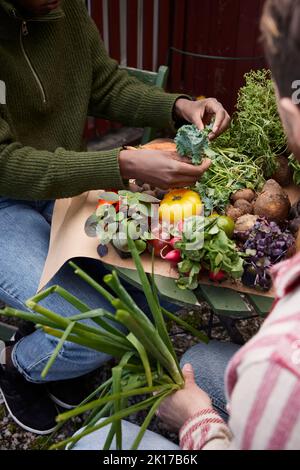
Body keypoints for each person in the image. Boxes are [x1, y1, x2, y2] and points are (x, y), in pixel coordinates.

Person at [71, 0, 300, 451]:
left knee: (89, 443)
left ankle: (31, 366)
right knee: (193, 354)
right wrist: (175, 109)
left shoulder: (278, 365)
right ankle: (27, 363)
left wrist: (196, 419)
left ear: (289, 112)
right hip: (24, 196)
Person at [0, 0, 230, 435]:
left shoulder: (64, 10)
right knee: (97, 325)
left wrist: (178, 106)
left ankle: (61, 362)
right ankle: (18, 366)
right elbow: (5, 163)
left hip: (62, 190)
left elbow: (104, 85)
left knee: (156, 293)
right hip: (4, 203)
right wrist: (122, 164)